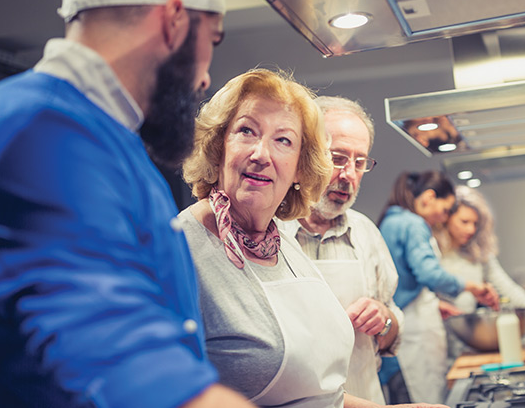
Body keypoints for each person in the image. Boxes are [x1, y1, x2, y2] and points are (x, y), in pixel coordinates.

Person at [0, 0, 254, 407]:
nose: (206, 76)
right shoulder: (40, 137)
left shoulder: (105, 139)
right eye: (210, 41)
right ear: (173, 20)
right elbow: (129, 373)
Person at [178, 69, 445, 408]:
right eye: (246, 131)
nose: (262, 154)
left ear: (300, 170)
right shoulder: (181, 249)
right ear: (218, 146)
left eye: (283, 140)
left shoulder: (280, 244)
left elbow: (319, 397)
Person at [277, 96, 403, 404]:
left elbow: (394, 329)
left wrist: (385, 319)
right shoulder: (270, 233)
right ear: (306, 154)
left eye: (360, 163)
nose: (349, 175)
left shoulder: (365, 232)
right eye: (338, 158)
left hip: (368, 395)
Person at [378, 171, 498, 404]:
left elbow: (402, 281)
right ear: (428, 198)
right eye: (445, 211)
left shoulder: (391, 221)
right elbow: (428, 273)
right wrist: (471, 287)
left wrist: (436, 305)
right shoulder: (412, 223)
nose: (443, 219)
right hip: (412, 338)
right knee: (422, 399)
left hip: (397, 334)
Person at [434, 186, 525, 350]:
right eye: (464, 222)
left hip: (467, 338)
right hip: (437, 335)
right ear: (446, 218)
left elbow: (507, 288)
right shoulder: (433, 251)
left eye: (475, 223)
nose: (471, 229)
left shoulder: (478, 253)